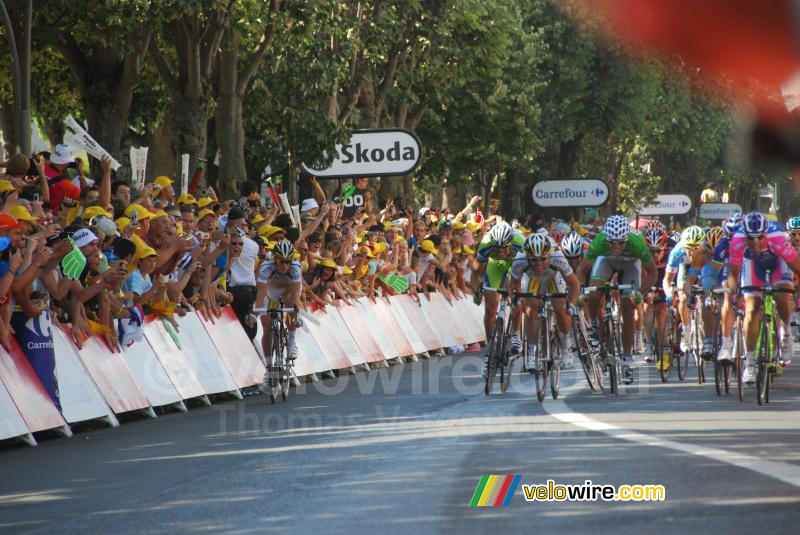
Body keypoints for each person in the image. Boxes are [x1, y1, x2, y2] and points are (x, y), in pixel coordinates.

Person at [576, 214, 656, 384]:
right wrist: (582, 291)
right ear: (607, 239)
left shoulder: (637, 242)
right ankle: (595, 326)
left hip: (630, 265)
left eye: (621, 242)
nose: (617, 246)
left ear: (627, 239)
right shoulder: (599, 241)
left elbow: (653, 273)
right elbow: (582, 270)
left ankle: (627, 360)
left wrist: (640, 293)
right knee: (594, 291)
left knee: (628, 308)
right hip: (606, 262)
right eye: (612, 243)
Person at [728, 212, 800, 383]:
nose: (755, 242)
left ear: (766, 233)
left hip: (777, 261)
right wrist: (733, 294)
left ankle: (786, 333)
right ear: (744, 235)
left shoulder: (778, 237)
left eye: (759, 237)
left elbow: (796, 266)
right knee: (752, 307)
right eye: (750, 238)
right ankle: (750, 363)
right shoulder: (737, 242)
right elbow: (733, 274)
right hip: (751, 263)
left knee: (782, 295)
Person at [511, 233, 580, 369]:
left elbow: (574, 284)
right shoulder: (519, 260)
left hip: (553, 275)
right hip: (532, 277)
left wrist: (571, 304)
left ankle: (566, 348)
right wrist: (517, 301)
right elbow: (513, 284)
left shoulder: (558, 257)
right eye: (534, 260)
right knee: (531, 311)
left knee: (560, 308)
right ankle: (532, 354)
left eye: (543, 259)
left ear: (549, 254)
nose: (539, 263)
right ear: (527, 256)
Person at [255, 239, 302, 360]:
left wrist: (296, 316)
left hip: (288, 290)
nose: (284, 266)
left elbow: (296, 293)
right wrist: (254, 314)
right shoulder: (266, 266)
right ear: (275, 259)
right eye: (281, 262)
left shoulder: (296, 267)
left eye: (287, 262)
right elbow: (260, 293)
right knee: (267, 326)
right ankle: (268, 364)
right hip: (270, 291)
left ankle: (292, 341)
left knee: (292, 307)